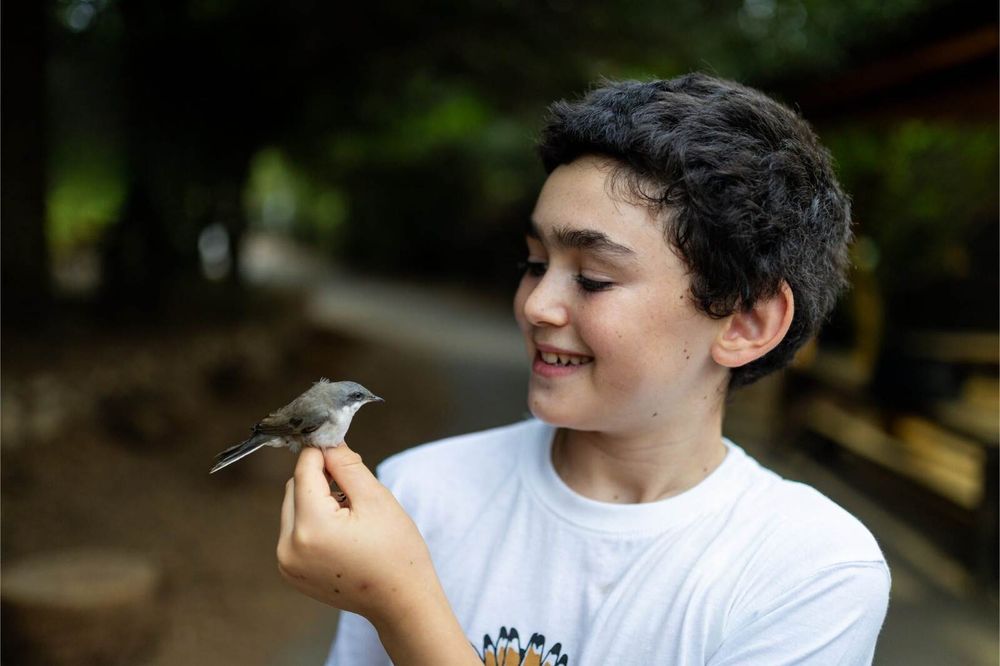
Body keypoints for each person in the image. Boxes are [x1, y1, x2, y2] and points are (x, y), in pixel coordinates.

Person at [277, 73, 891, 666]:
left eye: (594, 278)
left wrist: (403, 606)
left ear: (746, 321)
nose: (536, 306)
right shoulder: (419, 493)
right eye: (534, 262)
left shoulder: (810, 571)